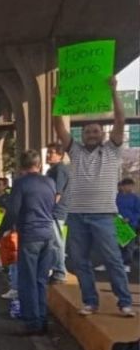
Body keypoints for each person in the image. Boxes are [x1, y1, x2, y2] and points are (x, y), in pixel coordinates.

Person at [52, 77, 135, 318]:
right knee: (79, 262)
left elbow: (120, 119)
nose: (91, 134)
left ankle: (125, 302)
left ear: (103, 134)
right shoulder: (75, 150)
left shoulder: (112, 149)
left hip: (104, 216)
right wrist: (57, 99)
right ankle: (90, 302)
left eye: (96, 131)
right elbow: (59, 127)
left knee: (113, 260)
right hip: (76, 215)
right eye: (87, 131)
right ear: (83, 134)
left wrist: (114, 92)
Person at [0, 151, 58, 335]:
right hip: (48, 234)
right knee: (40, 280)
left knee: (27, 280)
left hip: (30, 234)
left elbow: (12, 212)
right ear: (39, 165)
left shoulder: (21, 184)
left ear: (21, 167)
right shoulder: (50, 182)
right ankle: (42, 318)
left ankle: (32, 322)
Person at [45, 142, 70, 283]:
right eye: (48, 152)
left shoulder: (60, 169)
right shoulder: (52, 169)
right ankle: (56, 269)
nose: (48, 155)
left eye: (52, 152)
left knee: (57, 242)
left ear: (60, 155)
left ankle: (59, 272)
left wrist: (47, 208)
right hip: (53, 210)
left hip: (56, 210)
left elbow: (57, 192)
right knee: (54, 241)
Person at [116, 178, 139, 273]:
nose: (129, 187)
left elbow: (138, 212)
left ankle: (126, 264)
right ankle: (112, 263)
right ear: (123, 186)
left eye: (131, 185)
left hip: (130, 224)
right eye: (127, 185)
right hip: (118, 223)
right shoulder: (117, 197)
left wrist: (130, 219)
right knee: (116, 244)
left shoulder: (135, 198)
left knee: (129, 245)